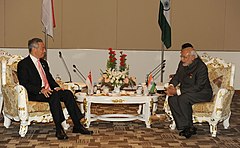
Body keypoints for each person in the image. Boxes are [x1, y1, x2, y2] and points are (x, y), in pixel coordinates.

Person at [17, 38, 93, 140]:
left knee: (68, 93)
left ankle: (77, 125)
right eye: (42, 48)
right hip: (35, 93)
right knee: (54, 96)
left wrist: (57, 87)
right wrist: (41, 90)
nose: (44, 51)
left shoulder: (43, 63)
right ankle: (59, 128)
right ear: (34, 49)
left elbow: (49, 78)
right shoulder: (23, 64)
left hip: (49, 91)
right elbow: (24, 84)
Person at [165, 43, 212, 139]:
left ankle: (189, 127)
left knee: (183, 98)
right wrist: (171, 86)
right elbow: (177, 76)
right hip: (186, 91)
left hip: (202, 93)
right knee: (172, 99)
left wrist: (178, 91)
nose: (182, 59)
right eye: (181, 56)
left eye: (184, 57)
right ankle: (184, 126)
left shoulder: (201, 67)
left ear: (193, 57)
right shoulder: (183, 64)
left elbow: (198, 86)